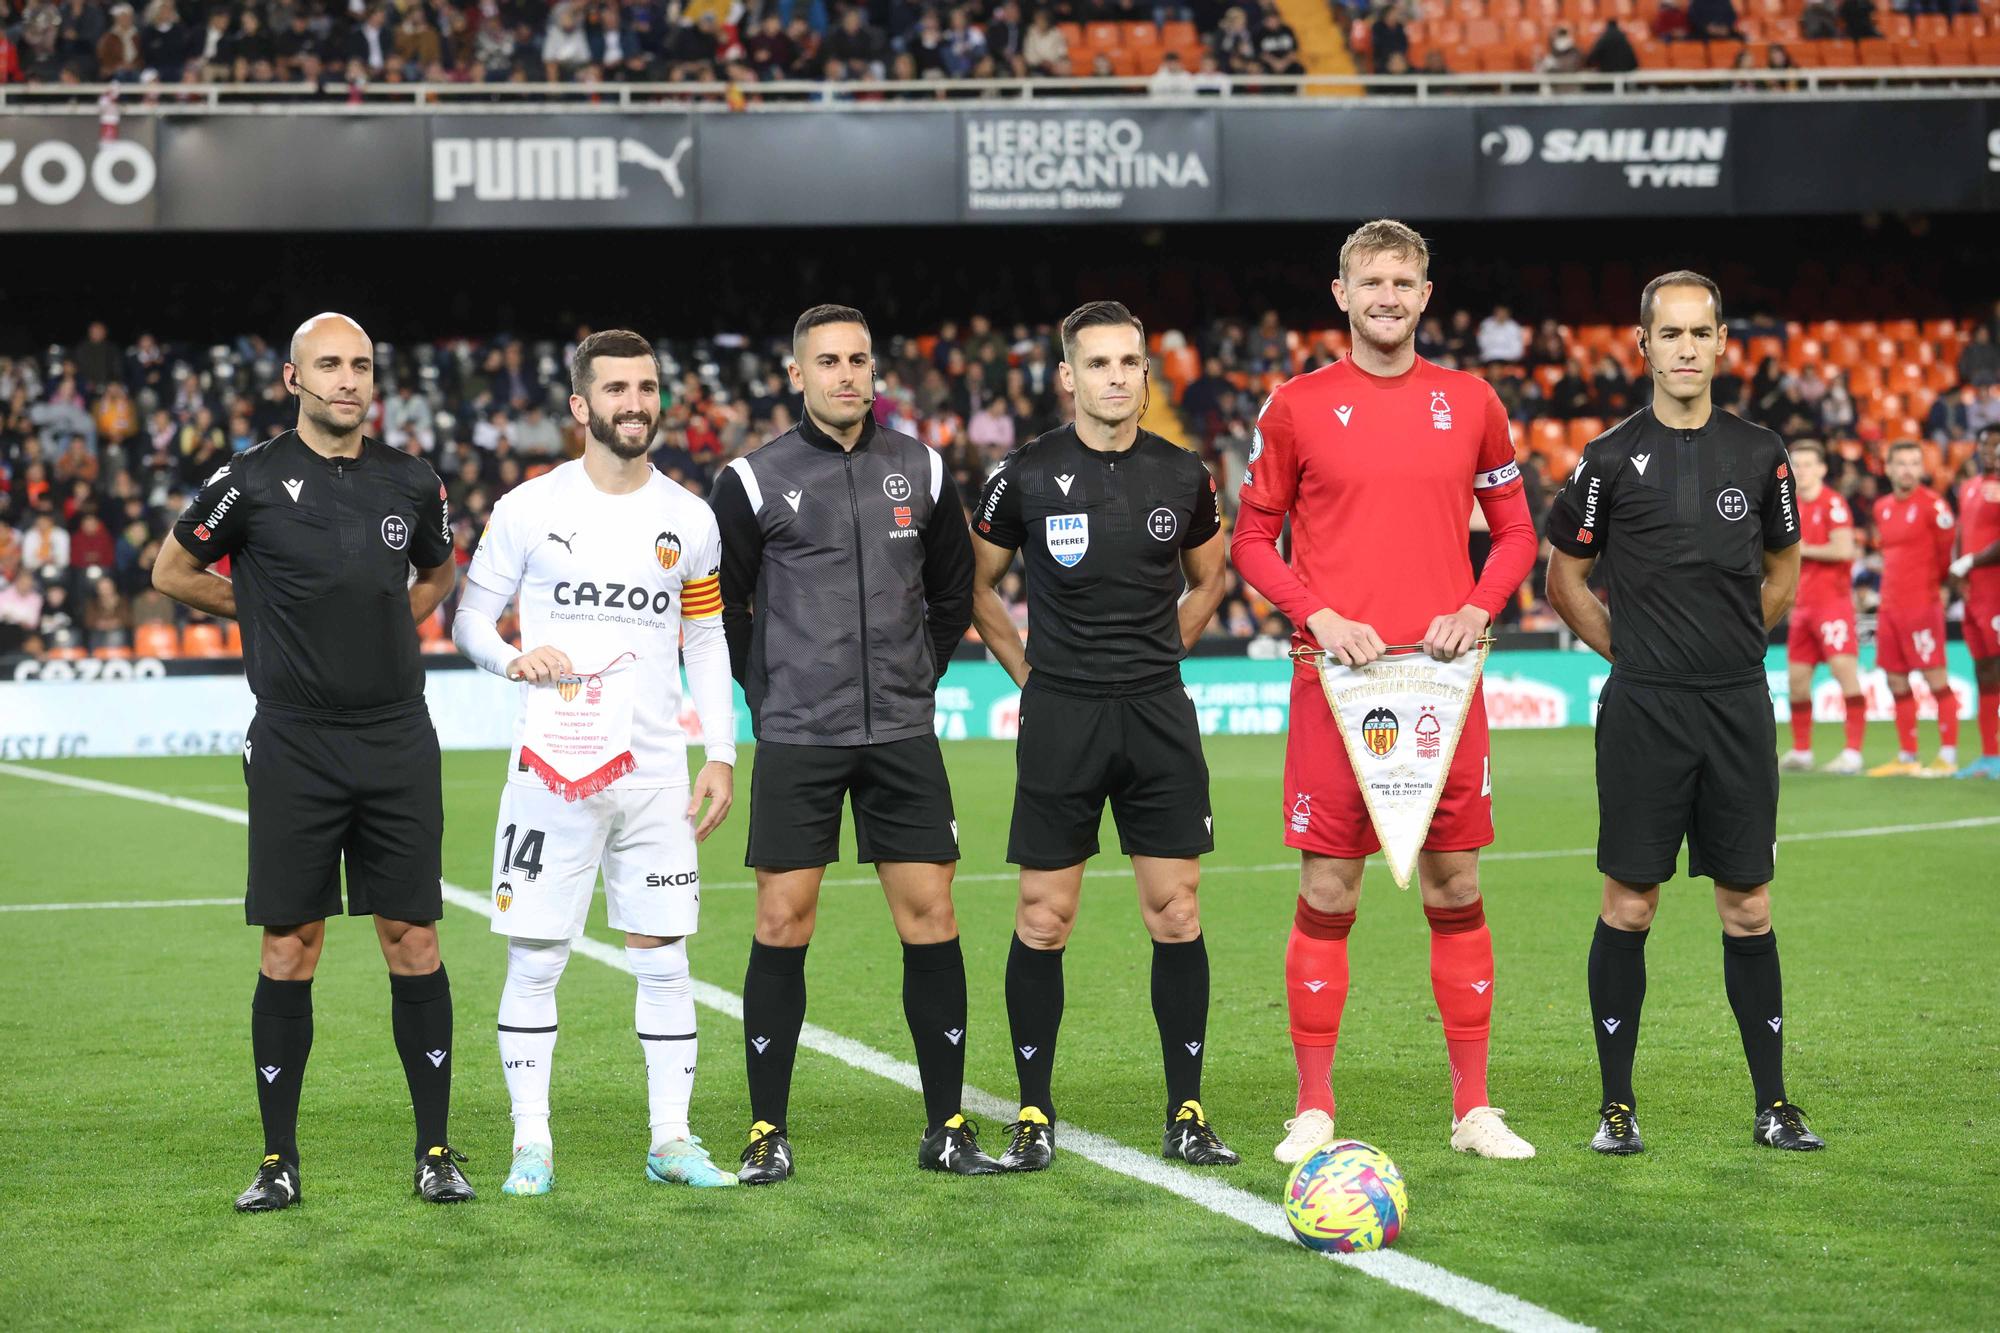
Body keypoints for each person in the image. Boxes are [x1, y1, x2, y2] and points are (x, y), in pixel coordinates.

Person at [1229, 219, 1540, 1165]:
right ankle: (1314, 1105)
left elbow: (1518, 531)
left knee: (1456, 883)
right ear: (1342, 295)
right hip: (1338, 685)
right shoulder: (1297, 405)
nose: (1388, 296)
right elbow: (1250, 539)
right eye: (1372, 282)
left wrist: (1480, 606)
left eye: (1404, 281)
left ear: (1425, 294)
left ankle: (1474, 1107)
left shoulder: (1473, 400)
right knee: (1329, 886)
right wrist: (1318, 616)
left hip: (1445, 685)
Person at [151, 313, 474, 1210]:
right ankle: (278, 1159)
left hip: (397, 735)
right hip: (295, 739)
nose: (347, 379)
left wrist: (388, 623)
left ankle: (436, 1150)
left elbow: (440, 573)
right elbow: (170, 570)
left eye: (361, 365)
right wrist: (256, 611)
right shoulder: (247, 480)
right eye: (328, 365)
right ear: (293, 379)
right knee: (291, 943)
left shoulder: (412, 482)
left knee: (413, 937)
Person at [708, 305, 994, 1183]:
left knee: (932, 918)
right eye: (826, 361)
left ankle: (947, 1125)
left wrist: (916, 678)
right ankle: (766, 1130)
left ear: (876, 370)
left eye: (858, 359)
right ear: (796, 374)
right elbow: (729, 609)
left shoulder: (923, 467)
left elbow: (953, 594)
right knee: (781, 921)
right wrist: (772, 694)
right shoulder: (751, 480)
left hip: (901, 732)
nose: (845, 374)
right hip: (800, 735)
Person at [451, 330, 739, 1196]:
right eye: (615, 388)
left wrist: (720, 750)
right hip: (553, 768)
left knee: (664, 958)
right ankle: (530, 1145)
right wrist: (511, 660)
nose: (634, 402)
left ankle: (672, 1139)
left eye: (646, 386)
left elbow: (706, 636)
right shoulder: (528, 508)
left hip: (655, 774)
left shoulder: (689, 518)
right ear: (581, 406)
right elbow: (469, 620)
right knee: (536, 957)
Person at [1544, 270, 1823, 1155]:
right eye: (1671, 335)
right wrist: (1633, 653)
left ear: (1722, 343)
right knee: (1630, 904)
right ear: (1644, 346)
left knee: (1749, 906)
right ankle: (1616, 1107)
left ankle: (1774, 1104)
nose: (1688, 349)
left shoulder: (1762, 452)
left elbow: (1785, 564)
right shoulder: (1608, 457)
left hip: (1737, 704)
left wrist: (1739, 639)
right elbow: (1565, 578)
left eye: (1701, 333)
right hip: (1646, 710)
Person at [969, 301, 1236, 1172]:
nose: (1117, 377)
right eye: (1100, 363)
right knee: (1045, 918)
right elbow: (976, 585)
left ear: (1144, 376)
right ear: (1067, 378)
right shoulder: (1027, 473)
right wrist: (1029, 676)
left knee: (1177, 910)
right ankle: (1034, 1111)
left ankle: (1187, 1111)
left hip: (1157, 710)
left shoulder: (1182, 472)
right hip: (1064, 714)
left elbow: (1209, 575)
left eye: (1130, 363)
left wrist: (1167, 648)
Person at [1866, 441, 1960, 776]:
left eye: (1914, 463)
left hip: (1922, 605)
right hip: (1890, 607)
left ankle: (1948, 756)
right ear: (1888, 468)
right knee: (1895, 680)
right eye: (1901, 463)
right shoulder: (1882, 507)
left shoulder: (1934, 506)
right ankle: (1908, 756)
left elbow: (1947, 555)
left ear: (1922, 469)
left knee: (1935, 677)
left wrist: (1942, 589)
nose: (1907, 469)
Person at [1779, 441, 1868, 774]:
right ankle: (1802, 751)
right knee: (1797, 682)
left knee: (1845, 676)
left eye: (1807, 464)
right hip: (1801, 607)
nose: (1801, 470)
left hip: (1832, 605)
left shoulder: (1833, 503)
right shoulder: (1788, 503)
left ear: (1821, 469)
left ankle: (1853, 752)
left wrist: (1798, 550)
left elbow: (1844, 550)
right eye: (1796, 465)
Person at [1951, 426, 2000, 778]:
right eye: (1987, 446)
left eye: (1998, 447)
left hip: (1996, 589)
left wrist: (1970, 561)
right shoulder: (1969, 487)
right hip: (1974, 595)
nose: (1991, 452)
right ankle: (1989, 755)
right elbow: (1961, 532)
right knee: (1984, 672)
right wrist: (1957, 569)